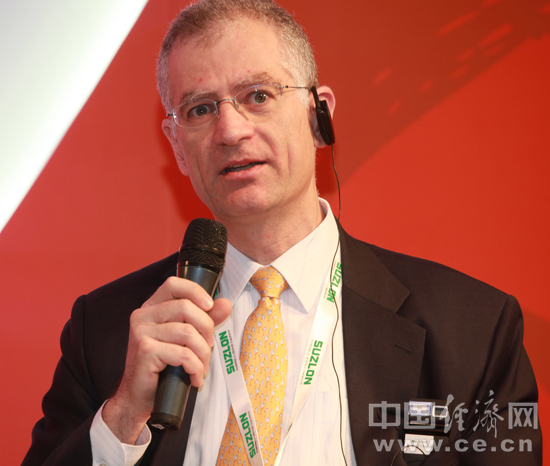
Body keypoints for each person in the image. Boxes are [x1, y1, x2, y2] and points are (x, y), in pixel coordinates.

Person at [22, 0, 541, 465]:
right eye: (201, 109)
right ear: (177, 145)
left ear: (318, 116)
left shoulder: (472, 329)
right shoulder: (108, 331)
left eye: (258, 96)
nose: (231, 131)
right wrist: (121, 417)